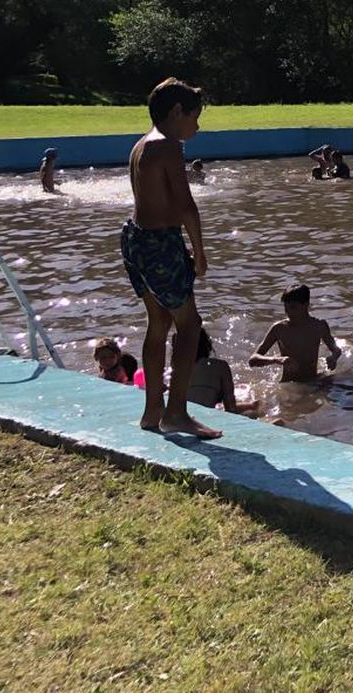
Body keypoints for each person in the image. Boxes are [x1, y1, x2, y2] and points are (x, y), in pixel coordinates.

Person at [121, 77, 220, 438]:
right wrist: (200, 250)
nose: (197, 126)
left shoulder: (140, 145)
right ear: (177, 112)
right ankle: (176, 411)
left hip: (134, 238)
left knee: (158, 322)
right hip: (161, 243)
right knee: (190, 325)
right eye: (195, 117)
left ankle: (152, 411)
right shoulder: (167, 146)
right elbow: (185, 206)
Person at [250, 284, 341, 383]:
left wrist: (334, 358)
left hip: (313, 382)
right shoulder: (279, 328)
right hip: (289, 384)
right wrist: (277, 360)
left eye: (293, 307)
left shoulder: (319, 326)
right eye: (286, 308)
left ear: (306, 305)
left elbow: (336, 349)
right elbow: (253, 360)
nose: (288, 312)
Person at [180, 329, 258, 415]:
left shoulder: (178, 367)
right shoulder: (220, 366)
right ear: (208, 346)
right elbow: (231, 409)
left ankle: (251, 405)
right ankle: (253, 406)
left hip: (181, 415)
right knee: (253, 413)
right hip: (204, 417)